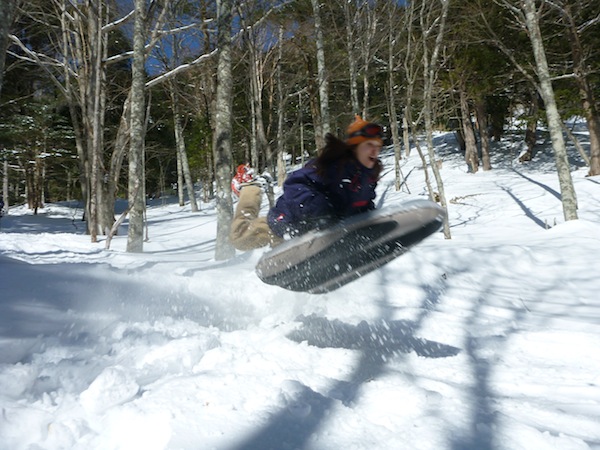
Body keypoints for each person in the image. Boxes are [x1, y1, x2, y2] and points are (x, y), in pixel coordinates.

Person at [229, 115, 384, 251]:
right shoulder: (331, 165)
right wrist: (319, 209)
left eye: (378, 146)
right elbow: (295, 183)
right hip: (287, 222)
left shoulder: (367, 177)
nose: (375, 151)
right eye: (369, 145)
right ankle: (250, 187)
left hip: (314, 236)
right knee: (239, 238)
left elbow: (362, 205)